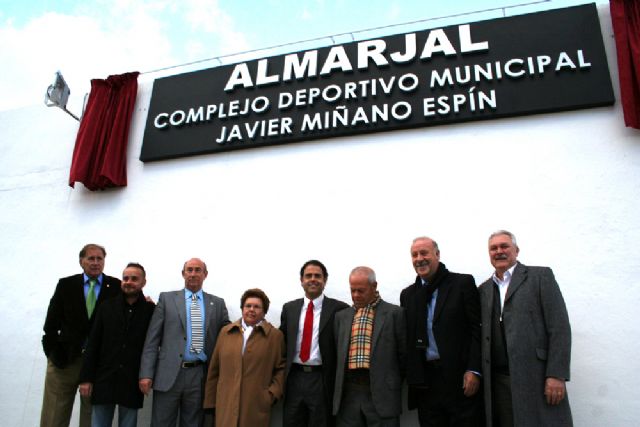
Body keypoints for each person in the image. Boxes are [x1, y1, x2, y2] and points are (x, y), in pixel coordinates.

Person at [479, 230, 572, 427]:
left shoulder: (540, 277)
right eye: (493, 248)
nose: (499, 251)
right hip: (499, 381)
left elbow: (559, 326)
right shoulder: (484, 289)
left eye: (504, 246)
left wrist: (556, 374)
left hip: (536, 376)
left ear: (516, 250)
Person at [400, 237, 483, 426]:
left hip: (460, 380)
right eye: (414, 255)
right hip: (426, 383)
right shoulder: (408, 295)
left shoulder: (462, 283)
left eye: (424, 253)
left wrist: (474, 370)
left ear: (437, 254)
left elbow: (477, 330)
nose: (419, 258)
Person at [139, 258, 229, 427]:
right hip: (168, 373)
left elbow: (228, 334)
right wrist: (146, 373)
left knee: (193, 423)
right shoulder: (166, 299)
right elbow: (152, 339)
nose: (193, 274)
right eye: (189, 270)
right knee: (162, 422)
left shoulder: (217, 303)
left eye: (197, 270)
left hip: (199, 374)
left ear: (205, 275)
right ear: (183, 273)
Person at [41, 243, 122, 427]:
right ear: (81, 262)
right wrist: (53, 355)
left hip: (98, 365)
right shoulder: (66, 285)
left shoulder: (116, 287)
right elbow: (50, 325)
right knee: (54, 417)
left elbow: (131, 308)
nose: (95, 262)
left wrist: (148, 302)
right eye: (90, 258)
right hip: (65, 362)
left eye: (99, 258)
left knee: (92, 419)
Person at [78, 262, 155, 427]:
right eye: (125, 278)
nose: (129, 282)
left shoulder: (151, 311)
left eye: (134, 279)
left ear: (143, 282)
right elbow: (93, 344)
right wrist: (86, 378)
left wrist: (148, 375)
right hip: (104, 378)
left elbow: (153, 346)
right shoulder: (106, 307)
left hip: (132, 380)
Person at [333, 266, 407, 427]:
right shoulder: (341, 317)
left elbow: (403, 357)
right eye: (352, 290)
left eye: (361, 291)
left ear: (374, 287)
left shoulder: (395, 314)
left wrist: (389, 382)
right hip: (348, 395)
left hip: (382, 395)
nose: (355, 295)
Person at [280, 260, 349, 427]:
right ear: (301, 280)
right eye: (308, 275)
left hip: (322, 379)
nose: (313, 279)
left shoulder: (340, 309)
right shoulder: (289, 309)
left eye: (318, 276)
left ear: (325, 280)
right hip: (294, 378)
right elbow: (281, 342)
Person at [204, 288, 286, 427]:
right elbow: (214, 369)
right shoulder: (226, 332)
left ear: (264, 311)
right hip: (226, 405)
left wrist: (270, 396)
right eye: (248, 306)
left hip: (255, 407)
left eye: (257, 307)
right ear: (242, 308)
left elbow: (281, 369)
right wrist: (211, 402)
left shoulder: (275, 336)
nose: (251, 310)